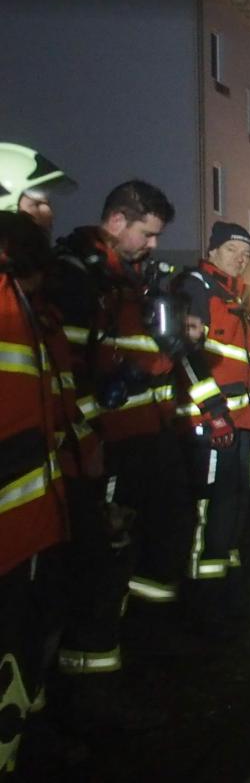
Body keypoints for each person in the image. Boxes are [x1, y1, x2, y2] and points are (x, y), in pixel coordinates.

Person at [49, 181, 189, 656]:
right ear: (115, 223)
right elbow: (64, 370)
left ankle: (144, 640)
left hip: (148, 436)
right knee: (104, 556)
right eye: (146, 234)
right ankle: (91, 663)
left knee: (152, 540)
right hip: (108, 444)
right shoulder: (77, 277)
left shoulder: (128, 278)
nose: (153, 245)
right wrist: (91, 434)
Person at [0, 211, 75, 770]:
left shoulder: (24, 308)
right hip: (13, 517)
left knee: (27, 627)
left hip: (27, 512)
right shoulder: (8, 305)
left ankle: (25, 731)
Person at [174, 221, 250, 634]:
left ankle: (225, 593)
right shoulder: (196, 287)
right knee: (209, 511)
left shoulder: (233, 296)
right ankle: (201, 605)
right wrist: (213, 412)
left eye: (246, 252)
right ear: (212, 250)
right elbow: (184, 353)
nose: (241, 258)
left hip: (239, 423)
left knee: (234, 509)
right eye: (232, 249)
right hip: (212, 424)